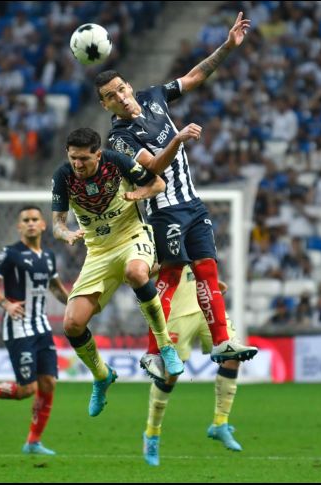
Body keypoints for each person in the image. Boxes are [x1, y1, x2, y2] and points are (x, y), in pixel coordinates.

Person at [94, 12, 257, 377]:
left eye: (121, 89)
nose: (120, 97)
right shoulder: (119, 138)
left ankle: (221, 342)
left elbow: (195, 76)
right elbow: (151, 168)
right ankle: (154, 352)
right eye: (111, 96)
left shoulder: (154, 98)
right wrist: (177, 138)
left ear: (130, 87)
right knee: (169, 274)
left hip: (193, 204)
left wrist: (228, 46)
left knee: (208, 270)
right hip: (164, 210)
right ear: (106, 105)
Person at [51, 127, 184, 417]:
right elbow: (57, 224)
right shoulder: (63, 176)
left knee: (137, 273)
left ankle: (165, 346)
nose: (78, 164)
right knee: (72, 324)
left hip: (132, 236)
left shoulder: (117, 161)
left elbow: (158, 184)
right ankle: (101, 375)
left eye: (84, 159)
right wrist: (66, 234)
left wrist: (139, 193)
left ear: (98, 155)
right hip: (98, 251)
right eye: (73, 158)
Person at [0, 206, 69, 456]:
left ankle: (33, 442)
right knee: (27, 390)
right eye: (26, 220)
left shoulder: (48, 257)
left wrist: (75, 305)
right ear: (19, 226)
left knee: (48, 383)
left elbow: (55, 287)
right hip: (18, 327)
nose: (31, 223)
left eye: (35, 219)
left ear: (44, 225)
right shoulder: (10, 254)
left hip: (41, 327)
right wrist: (5, 304)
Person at [142, 266, 244, 467]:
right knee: (169, 374)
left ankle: (220, 423)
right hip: (177, 313)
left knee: (232, 354)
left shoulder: (203, 234)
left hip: (206, 306)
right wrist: (167, 262)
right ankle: (152, 434)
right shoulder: (158, 236)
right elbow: (141, 273)